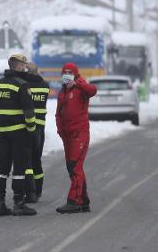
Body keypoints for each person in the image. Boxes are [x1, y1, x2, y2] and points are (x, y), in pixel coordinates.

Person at [0, 54, 37, 216]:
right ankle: (19, 204)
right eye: (23, 65)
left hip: (4, 135)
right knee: (19, 168)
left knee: (3, 168)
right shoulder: (22, 85)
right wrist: (31, 129)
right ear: (17, 67)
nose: (25, 68)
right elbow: (29, 112)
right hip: (20, 134)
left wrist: (0, 125)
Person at [55, 62, 97, 213]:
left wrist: (77, 84)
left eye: (69, 72)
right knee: (72, 167)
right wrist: (60, 130)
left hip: (79, 134)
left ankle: (74, 201)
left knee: (75, 166)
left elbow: (93, 90)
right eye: (64, 72)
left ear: (75, 74)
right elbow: (58, 113)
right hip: (67, 136)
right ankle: (83, 200)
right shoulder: (62, 92)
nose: (66, 74)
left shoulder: (81, 87)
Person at [24, 62, 50, 201]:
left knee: (26, 161)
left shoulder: (23, 86)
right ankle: (38, 191)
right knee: (36, 160)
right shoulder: (45, 85)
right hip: (40, 128)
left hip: (26, 127)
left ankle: (30, 192)